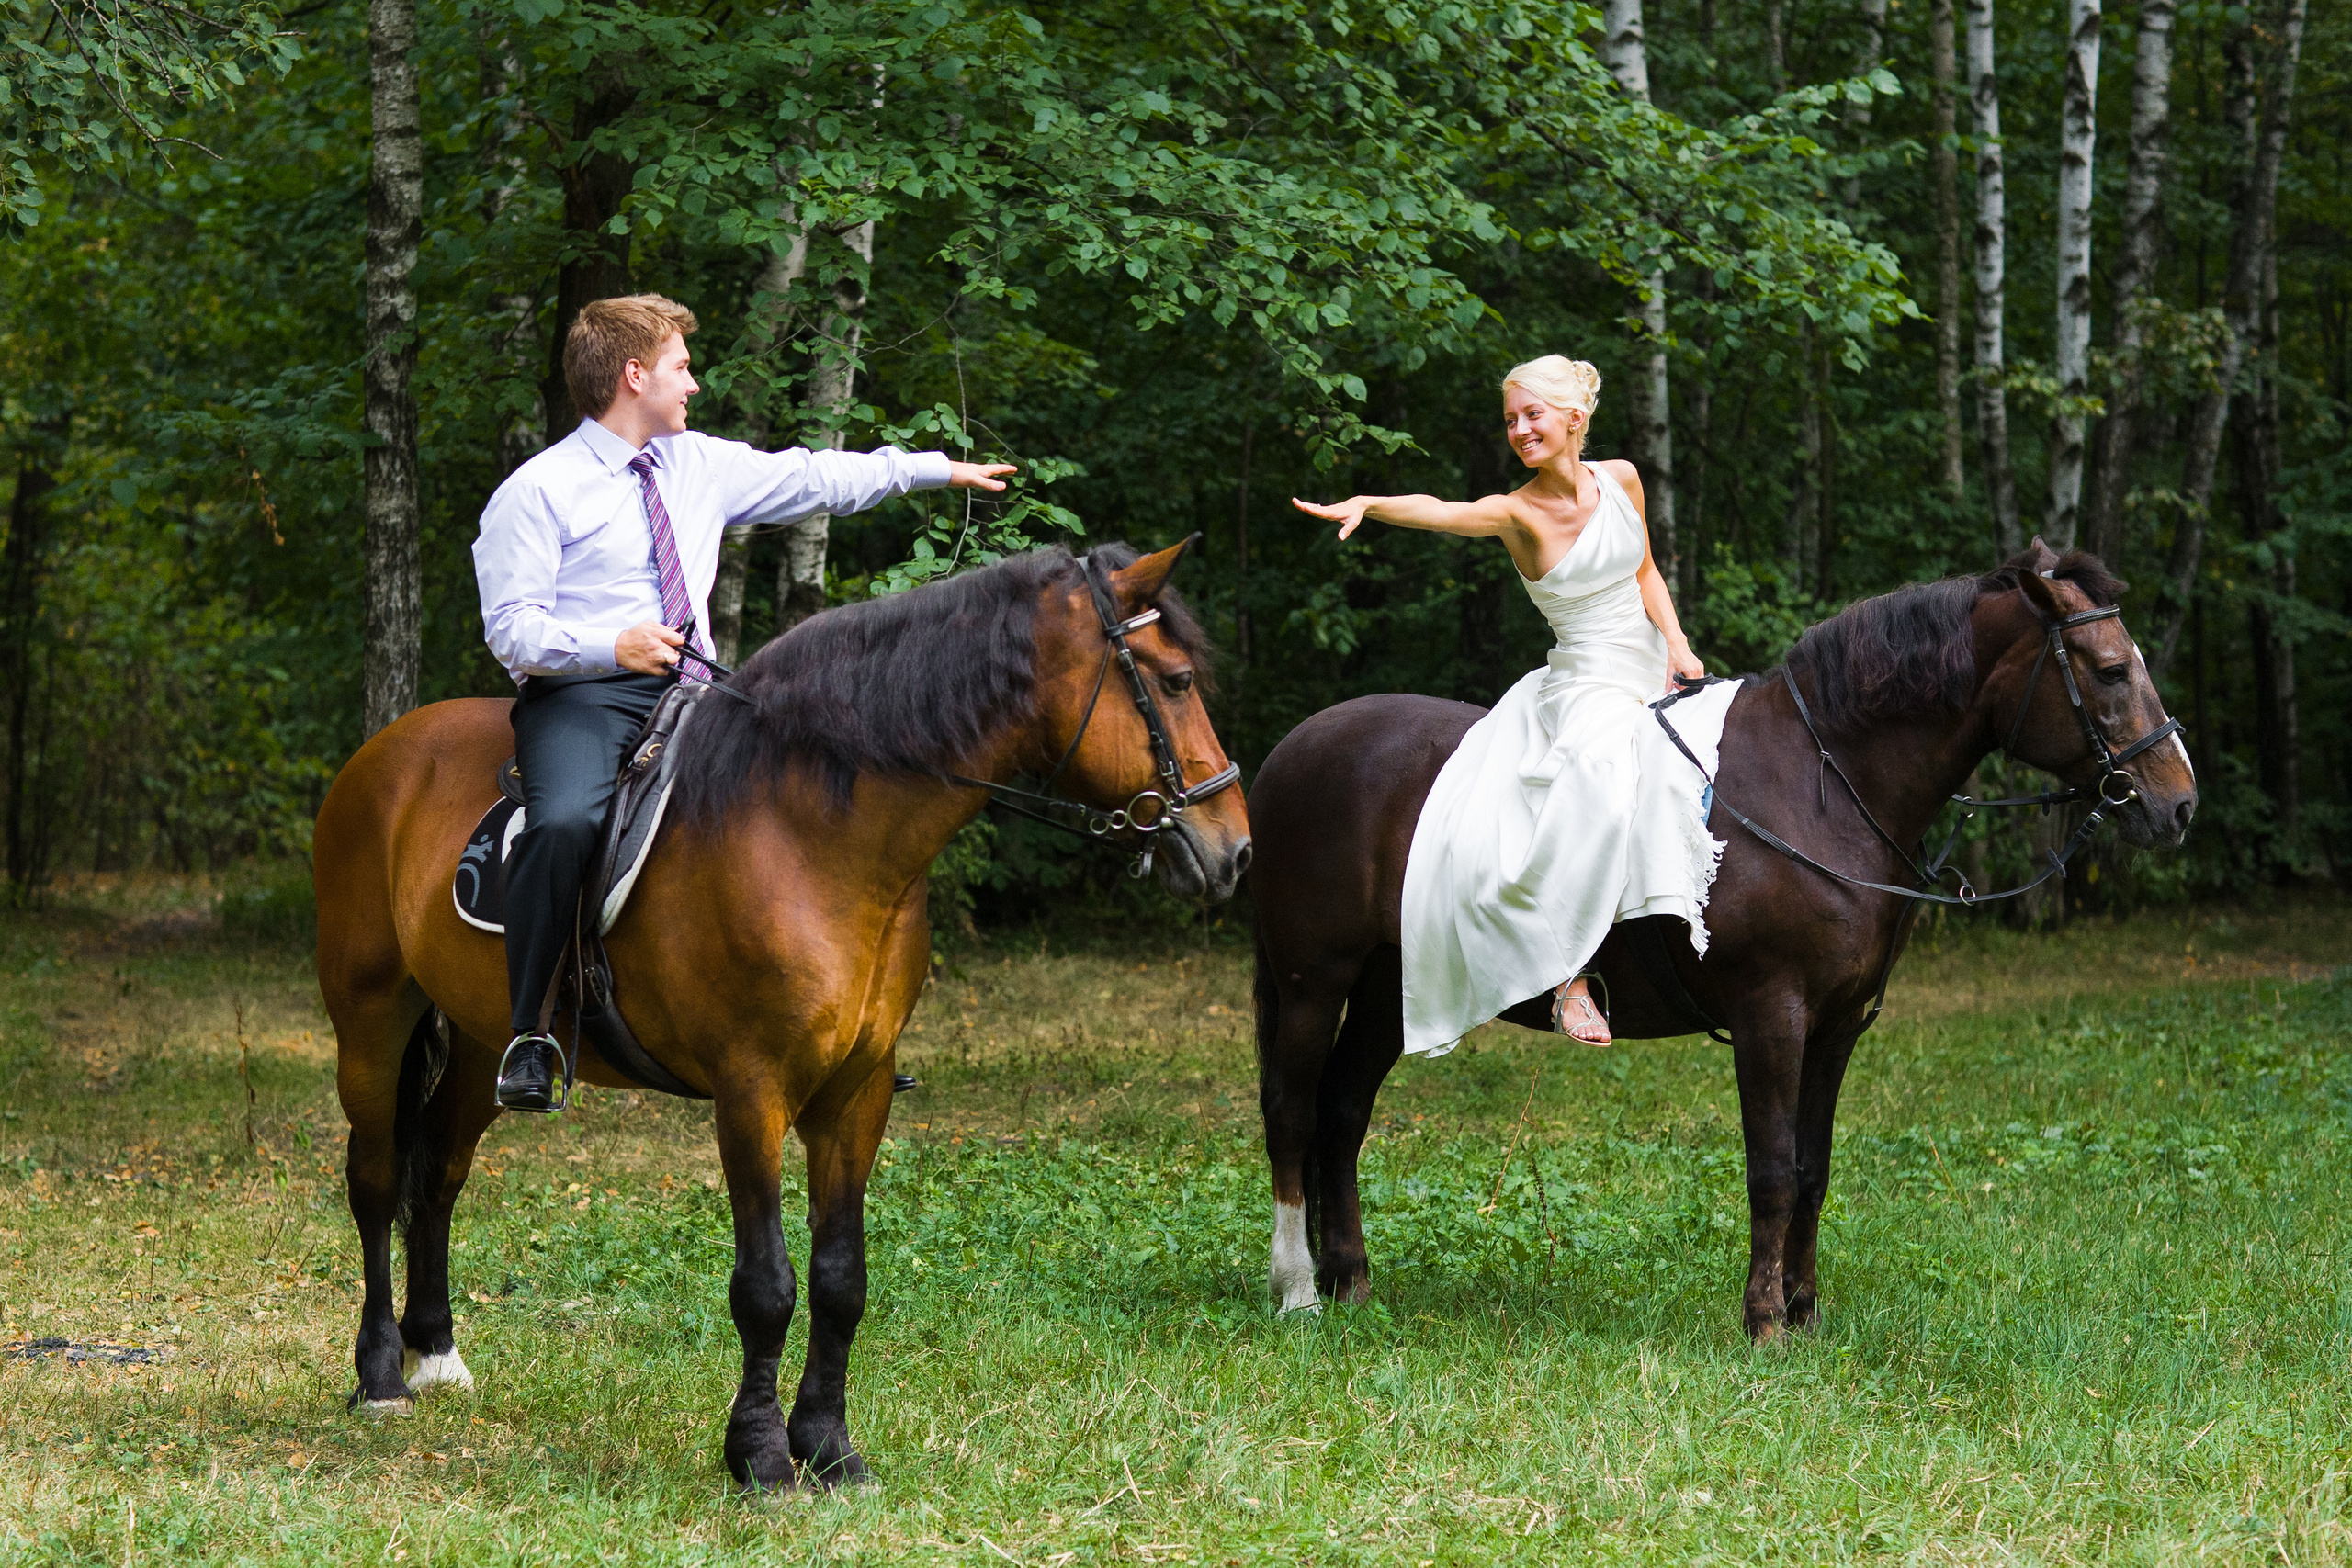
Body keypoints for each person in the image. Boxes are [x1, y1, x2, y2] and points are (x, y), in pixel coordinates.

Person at [474, 293, 1014, 1111]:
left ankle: (834, 1030)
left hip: (697, 691)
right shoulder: (537, 492)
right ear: (632, 376)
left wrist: (934, 469)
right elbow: (511, 629)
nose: (693, 384)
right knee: (565, 823)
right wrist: (608, 644)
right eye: (680, 368)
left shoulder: (697, 465)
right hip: (584, 695)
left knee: (812, 798)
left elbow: (816, 475)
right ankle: (530, 1032)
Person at [1292, 355, 1704, 1049]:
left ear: (1575, 419)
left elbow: (1646, 571)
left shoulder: (1623, 477)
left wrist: (1679, 645)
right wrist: (1372, 503)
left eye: (1532, 414)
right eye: (1510, 419)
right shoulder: (1518, 512)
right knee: (1598, 789)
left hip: (1652, 666)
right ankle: (1566, 973)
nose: (1519, 429)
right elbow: (1446, 511)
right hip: (1588, 681)